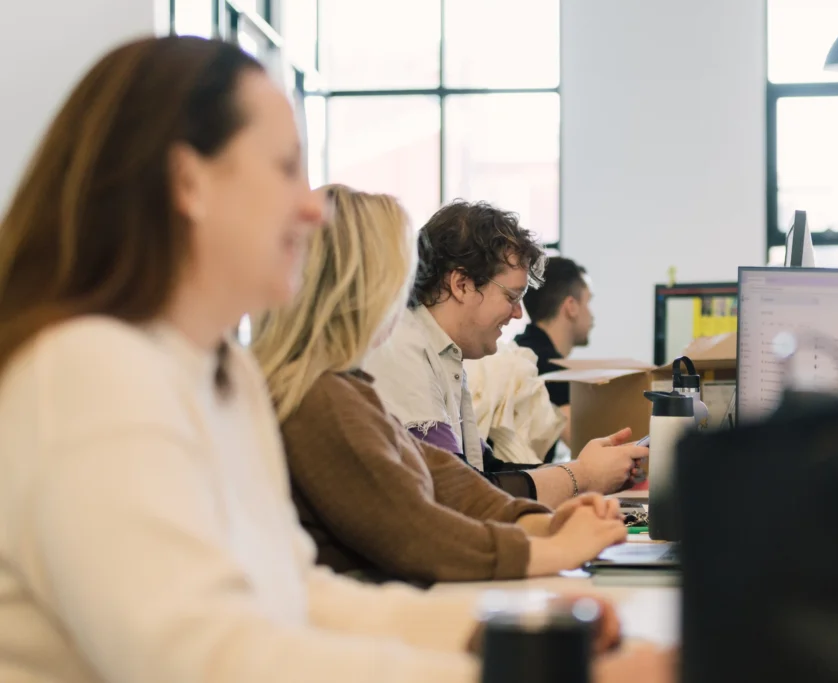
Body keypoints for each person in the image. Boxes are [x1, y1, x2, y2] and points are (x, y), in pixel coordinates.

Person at [0, 35, 672, 683]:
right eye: (285, 167)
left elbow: (299, 595)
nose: (310, 208)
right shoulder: (86, 370)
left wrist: (499, 632)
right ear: (188, 181)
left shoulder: (222, 376)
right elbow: (211, 660)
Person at [251, 184, 628, 585]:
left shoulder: (347, 387)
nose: (406, 296)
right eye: (399, 275)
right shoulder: (321, 397)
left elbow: (451, 480)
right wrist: (554, 542)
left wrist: (540, 524)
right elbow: (416, 529)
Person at [363, 201, 647, 508]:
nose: (517, 313)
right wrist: (583, 475)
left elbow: (486, 473)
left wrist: (590, 469)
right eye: (512, 296)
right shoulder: (403, 349)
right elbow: (458, 495)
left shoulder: (442, 354)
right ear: (461, 285)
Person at [516, 256, 593, 462]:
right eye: (588, 302)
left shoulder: (520, 349)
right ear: (571, 307)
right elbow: (586, 448)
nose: (592, 317)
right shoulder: (550, 368)